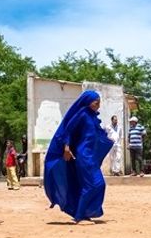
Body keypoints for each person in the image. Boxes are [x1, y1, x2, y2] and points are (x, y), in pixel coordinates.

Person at [44, 91, 114, 223]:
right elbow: (68, 130)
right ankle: (80, 216)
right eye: (96, 102)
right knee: (93, 184)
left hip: (91, 156)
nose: (98, 105)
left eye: (99, 102)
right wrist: (66, 148)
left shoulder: (92, 116)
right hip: (83, 156)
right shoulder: (82, 114)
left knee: (97, 184)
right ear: (88, 101)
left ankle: (83, 213)